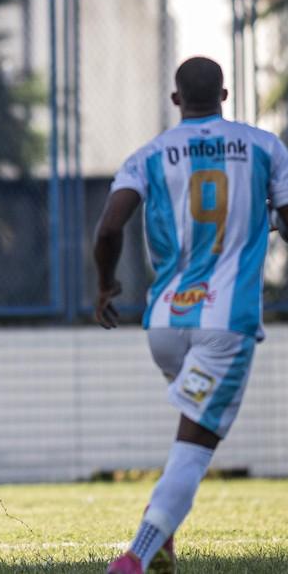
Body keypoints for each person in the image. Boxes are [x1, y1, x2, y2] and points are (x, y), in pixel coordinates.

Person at [93, 57, 288, 574]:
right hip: (224, 324)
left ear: (177, 101)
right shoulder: (266, 147)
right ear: (224, 95)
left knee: (190, 429)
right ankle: (136, 555)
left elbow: (110, 228)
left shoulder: (149, 155)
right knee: (195, 446)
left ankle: (162, 544)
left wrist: (105, 284)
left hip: (165, 323)